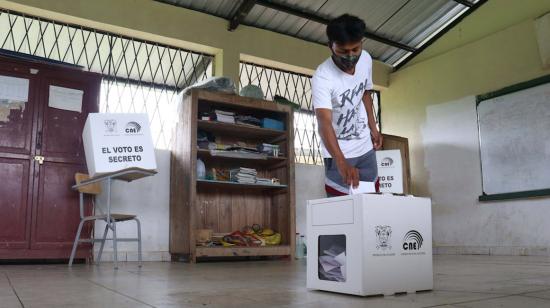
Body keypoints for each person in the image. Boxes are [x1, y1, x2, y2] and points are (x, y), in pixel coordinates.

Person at [312, 14, 383, 197]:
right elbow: (324, 123)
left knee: (373, 207)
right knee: (342, 213)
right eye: (343, 51)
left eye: (355, 49)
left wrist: (373, 126)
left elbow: (364, 92)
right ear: (330, 46)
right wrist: (341, 162)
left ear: (362, 43)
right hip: (339, 152)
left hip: (365, 147)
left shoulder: (366, 59)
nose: (350, 56)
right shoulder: (323, 77)